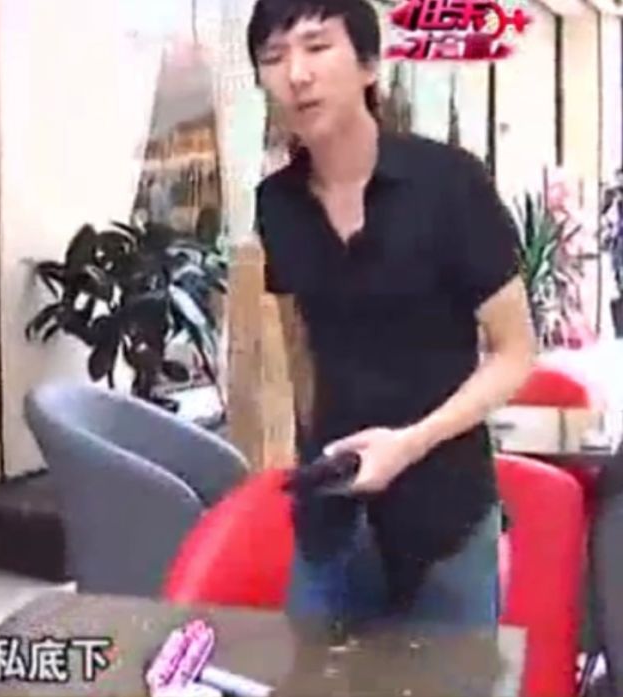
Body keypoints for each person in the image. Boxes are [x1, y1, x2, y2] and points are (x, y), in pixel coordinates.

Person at [247, 0, 537, 636]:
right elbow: (298, 343)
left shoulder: (450, 183)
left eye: (317, 47)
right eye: (273, 57)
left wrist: (410, 442)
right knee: (313, 677)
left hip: (445, 515)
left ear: (370, 65)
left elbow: (515, 352)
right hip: (330, 519)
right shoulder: (276, 204)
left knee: (453, 680)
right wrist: (308, 446)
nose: (296, 74)